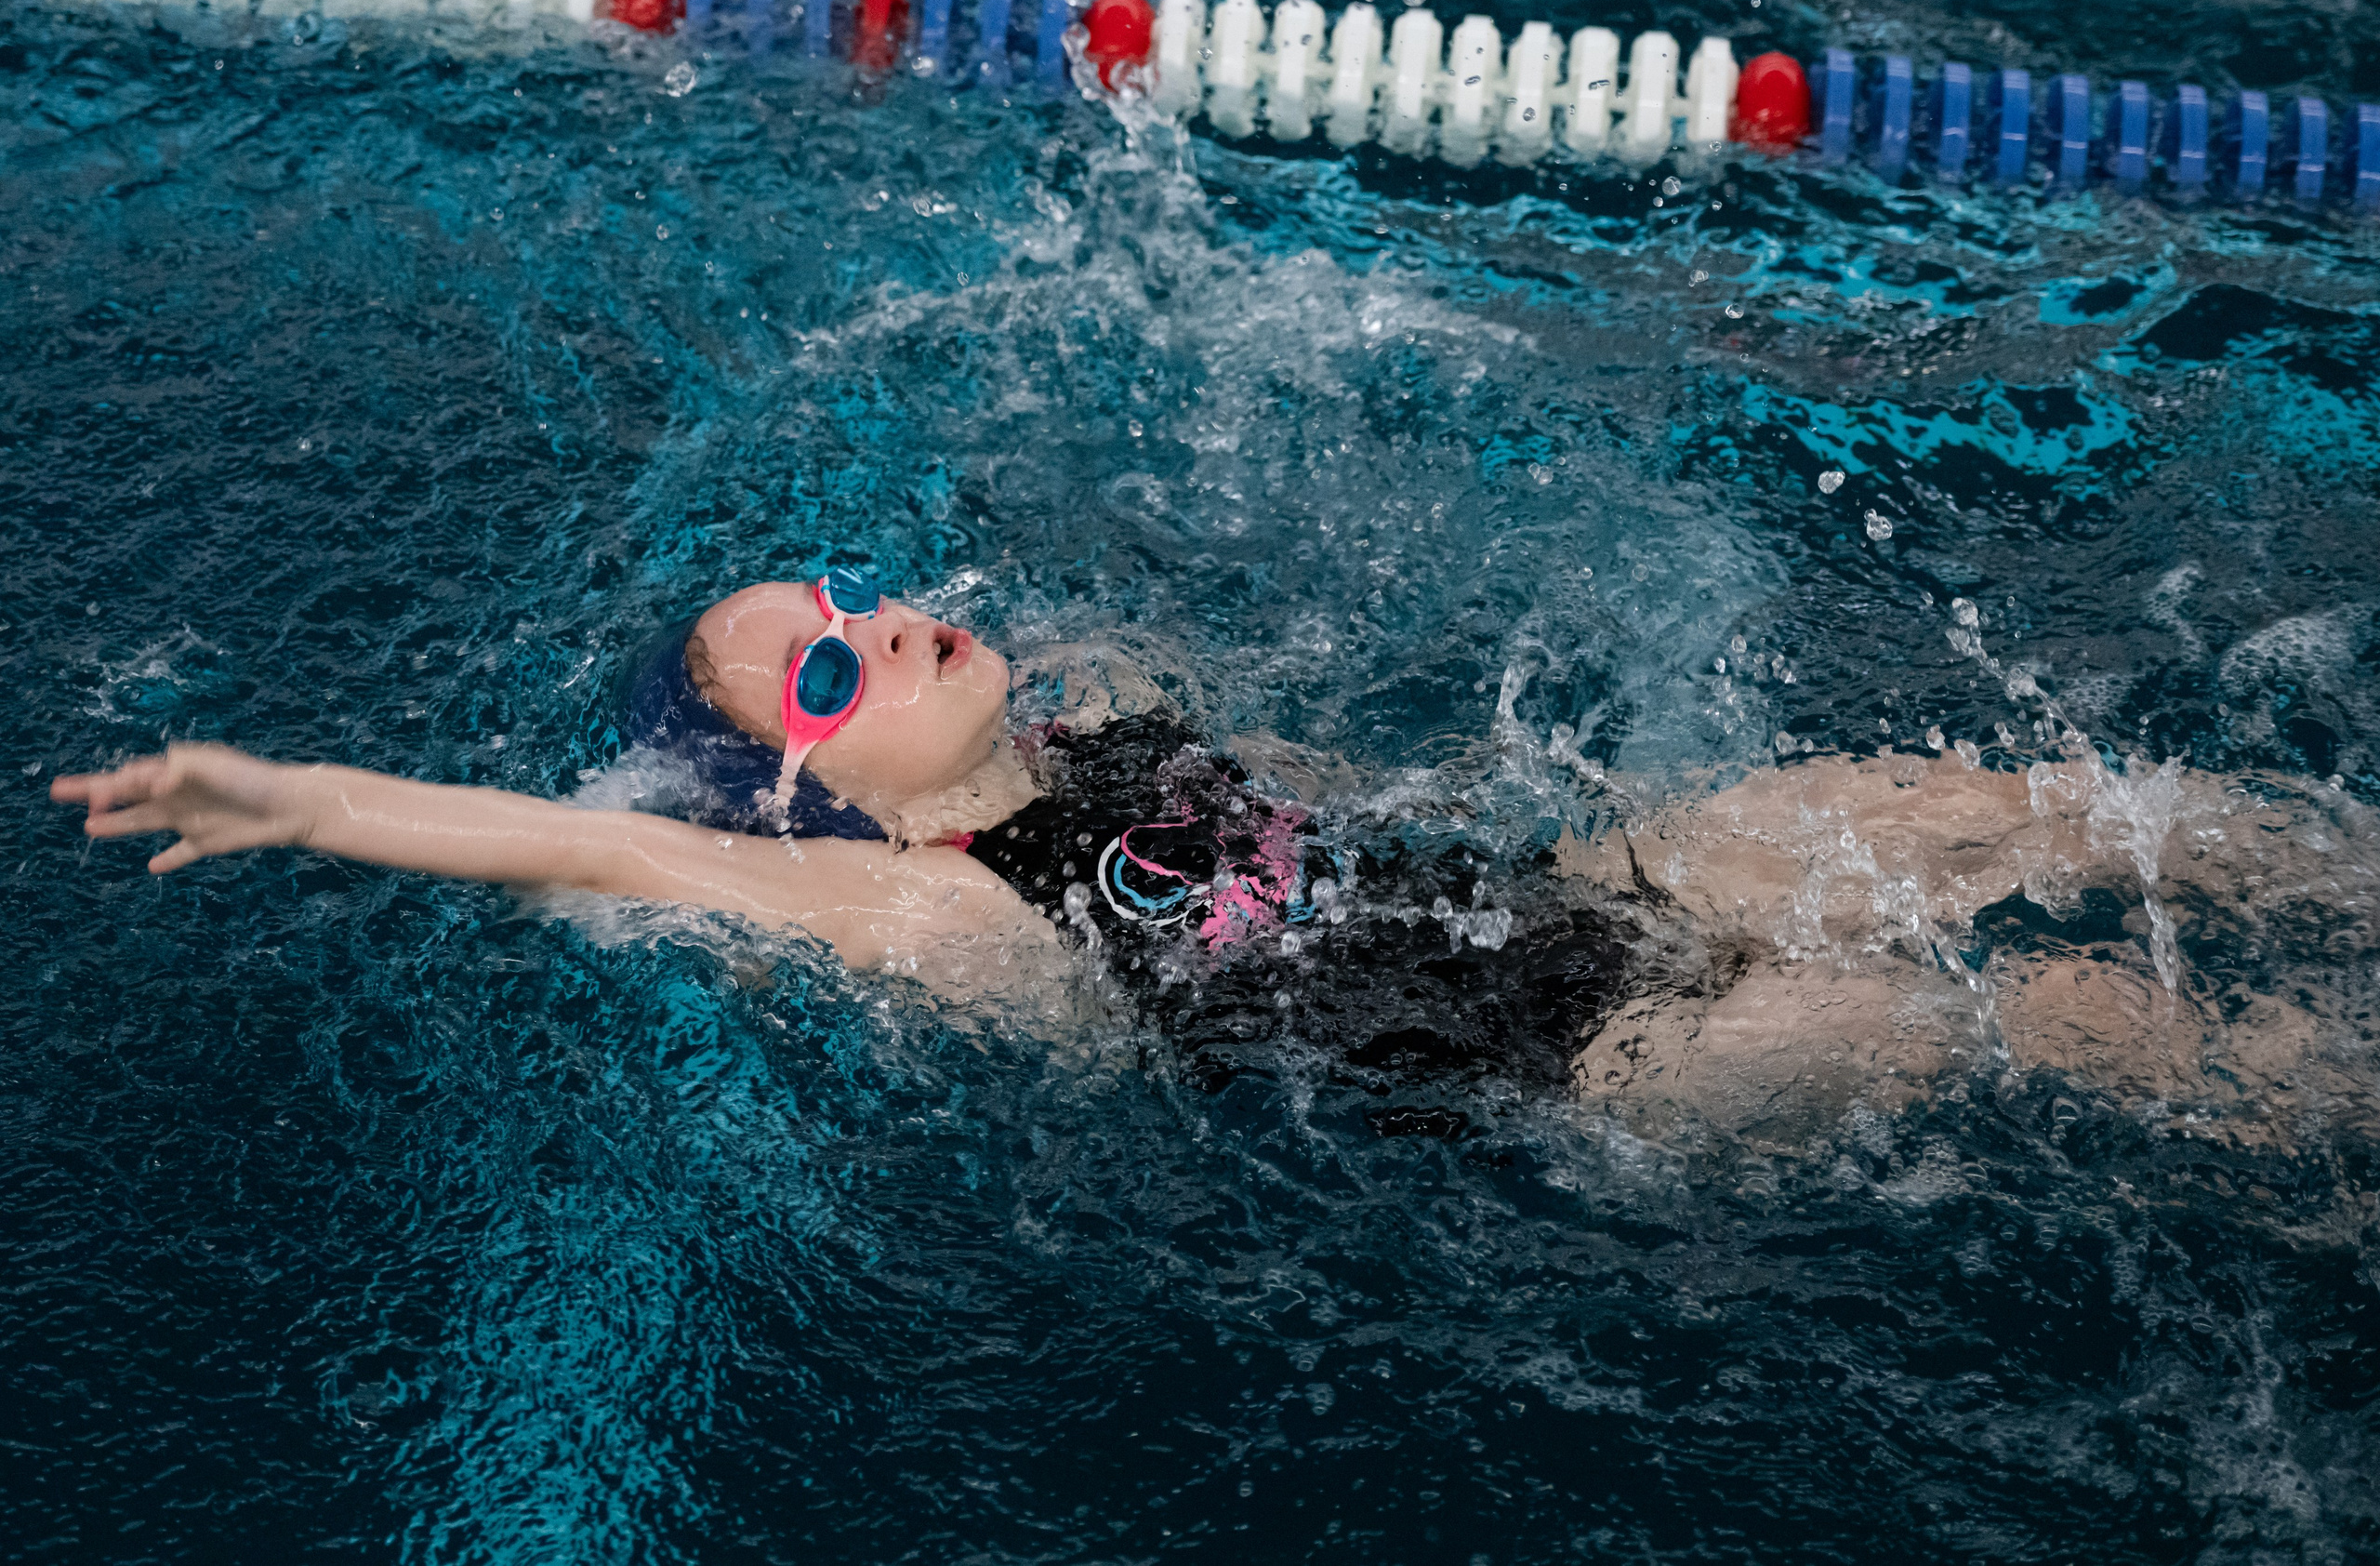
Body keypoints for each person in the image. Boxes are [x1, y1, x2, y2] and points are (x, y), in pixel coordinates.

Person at [51, 571, 2377, 1147]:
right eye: (824, 671)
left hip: (1583, 883)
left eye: (841, 597)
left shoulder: (1100, 716)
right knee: (2059, 1010)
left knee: (1984, 798)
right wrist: (304, 798)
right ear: (830, 796)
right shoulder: (927, 907)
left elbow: (1336, 807)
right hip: (1591, 1064)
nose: (878, 626)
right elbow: (586, 846)